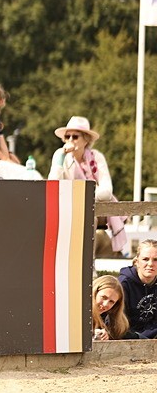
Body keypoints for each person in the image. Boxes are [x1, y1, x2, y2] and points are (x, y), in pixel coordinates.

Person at [47, 116, 127, 255]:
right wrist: (60, 155)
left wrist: (84, 198)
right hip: (67, 205)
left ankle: (90, 263)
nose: (70, 140)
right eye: (67, 136)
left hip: (93, 205)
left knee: (89, 216)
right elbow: (53, 184)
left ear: (86, 139)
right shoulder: (61, 156)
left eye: (75, 136)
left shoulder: (97, 157)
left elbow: (107, 191)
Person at [118, 240, 157, 339]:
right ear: (137, 262)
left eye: (156, 259)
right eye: (145, 259)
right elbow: (118, 320)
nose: (150, 264)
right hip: (128, 338)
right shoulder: (123, 284)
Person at [90, 275, 138, 341]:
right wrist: (91, 334)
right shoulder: (77, 313)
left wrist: (107, 336)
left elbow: (132, 336)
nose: (105, 304)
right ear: (94, 292)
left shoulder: (111, 320)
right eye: (103, 297)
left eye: (111, 302)